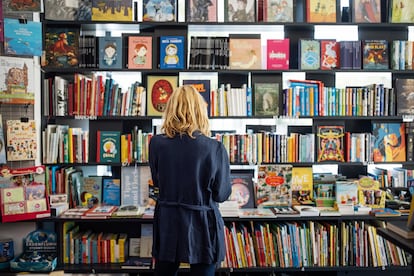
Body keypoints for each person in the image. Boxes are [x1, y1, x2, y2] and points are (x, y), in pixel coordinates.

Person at [149, 85, 231, 276]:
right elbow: (221, 194)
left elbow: (158, 183)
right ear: (200, 111)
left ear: (170, 109)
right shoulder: (214, 147)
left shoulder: (156, 143)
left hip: (168, 220)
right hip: (202, 223)